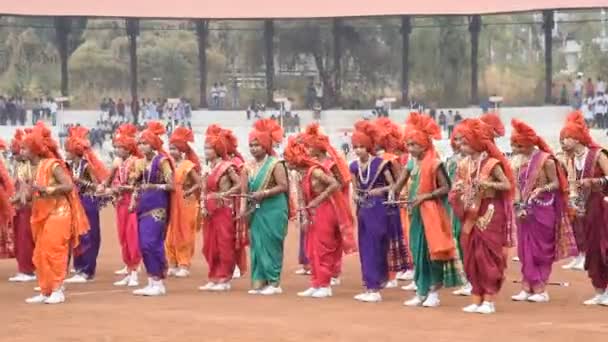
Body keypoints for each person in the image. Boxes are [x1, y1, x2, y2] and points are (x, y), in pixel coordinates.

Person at [392, 112, 461, 307]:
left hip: (432, 213)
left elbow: (446, 187)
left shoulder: (435, 163)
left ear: (424, 145)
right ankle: (421, 290)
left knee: (433, 251)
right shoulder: (411, 162)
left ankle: (433, 292)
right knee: (417, 250)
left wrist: (425, 196)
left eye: (414, 145)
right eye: (409, 144)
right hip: (415, 214)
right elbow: (400, 181)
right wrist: (392, 192)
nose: (411, 148)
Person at [448, 118, 514, 314]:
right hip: (470, 214)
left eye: (464, 142)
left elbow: (507, 185)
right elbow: (457, 187)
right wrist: (458, 190)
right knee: (470, 256)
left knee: (486, 257)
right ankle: (476, 299)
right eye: (459, 142)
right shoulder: (463, 165)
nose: (459, 145)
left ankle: (489, 301)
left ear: (475, 142)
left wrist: (488, 185)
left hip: (490, 213)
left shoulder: (492, 163)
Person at [509, 119, 577, 303]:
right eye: (513, 144)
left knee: (541, 250)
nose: (514, 148)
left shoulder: (545, 160)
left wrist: (542, 189)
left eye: (517, 145)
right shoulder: (516, 162)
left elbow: (556, 183)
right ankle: (526, 287)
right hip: (524, 211)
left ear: (527, 144)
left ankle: (540, 289)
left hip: (544, 209)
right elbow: (515, 186)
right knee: (524, 251)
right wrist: (517, 205)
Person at [22, 122, 89, 304]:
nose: (21, 152)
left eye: (24, 148)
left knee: (54, 252)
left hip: (59, 213)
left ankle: (58, 290)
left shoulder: (53, 165)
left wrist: (47, 190)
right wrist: (25, 192)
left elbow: (68, 185)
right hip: (41, 215)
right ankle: (46, 290)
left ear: (34, 150)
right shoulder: (31, 169)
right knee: (41, 254)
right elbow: (29, 196)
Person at [284, 138, 344, 298]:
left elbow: (335, 184)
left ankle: (325, 285)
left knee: (323, 248)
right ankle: (316, 283)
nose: (286, 162)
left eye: (287, 159)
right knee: (311, 249)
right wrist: (303, 215)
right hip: (312, 212)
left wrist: (318, 199)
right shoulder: (299, 174)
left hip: (325, 211)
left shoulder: (316, 171)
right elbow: (302, 198)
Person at [559, 111, 608, 305]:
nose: (563, 143)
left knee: (603, 246)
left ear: (577, 139)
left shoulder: (598, 154)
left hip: (601, 207)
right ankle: (600, 289)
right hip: (586, 209)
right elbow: (572, 183)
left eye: (566, 139)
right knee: (591, 248)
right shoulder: (571, 160)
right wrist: (573, 200)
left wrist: (593, 181)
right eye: (562, 139)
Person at [350, 120, 401, 302]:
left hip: (378, 208)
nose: (358, 151)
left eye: (362, 147)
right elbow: (355, 187)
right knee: (364, 247)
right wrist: (356, 196)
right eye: (355, 147)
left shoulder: (380, 163)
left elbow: (393, 185)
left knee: (376, 245)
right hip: (363, 208)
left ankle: (375, 287)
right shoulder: (354, 166)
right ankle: (370, 286)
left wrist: (380, 190)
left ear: (369, 147)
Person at [299, 123, 357, 285]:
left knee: (331, 240)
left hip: (332, 204)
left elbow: (341, 183)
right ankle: (325, 272)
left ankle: (333, 272)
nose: (307, 150)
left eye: (309, 147)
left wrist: (322, 195)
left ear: (318, 148)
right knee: (321, 241)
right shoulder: (313, 165)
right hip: (318, 206)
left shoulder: (331, 164)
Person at [241, 119, 289, 295]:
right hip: (256, 210)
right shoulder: (247, 166)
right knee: (257, 244)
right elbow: (244, 191)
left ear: (266, 146)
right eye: (251, 145)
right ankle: (260, 281)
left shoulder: (275, 164)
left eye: (257, 145)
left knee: (271, 244)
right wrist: (242, 211)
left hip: (274, 209)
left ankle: (274, 282)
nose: (254, 148)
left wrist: (264, 193)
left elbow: (283, 186)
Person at [129, 121, 175, 296]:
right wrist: (134, 199)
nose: (142, 146)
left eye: (145, 143)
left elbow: (172, 185)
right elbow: (138, 185)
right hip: (143, 206)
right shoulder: (140, 164)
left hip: (158, 207)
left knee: (152, 243)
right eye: (139, 143)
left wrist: (155, 187)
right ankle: (151, 281)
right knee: (143, 245)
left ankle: (158, 282)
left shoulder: (162, 161)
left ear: (153, 144)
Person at [64, 126, 110, 284]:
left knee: (88, 235)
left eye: (67, 151)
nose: (65, 154)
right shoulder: (71, 166)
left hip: (88, 201)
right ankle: (79, 268)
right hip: (77, 201)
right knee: (77, 235)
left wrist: (80, 181)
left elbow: (96, 185)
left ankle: (87, 270)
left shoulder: (86, 166)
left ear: (74, 151)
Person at [199, 127, 241, 291]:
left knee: (224, 244)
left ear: (217, 149)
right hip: (208, 211)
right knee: (210, 245)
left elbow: (239, 185)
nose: (206, 151)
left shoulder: (227, 167)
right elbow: (203, 189)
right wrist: (203, 204)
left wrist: (225, 194)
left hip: (223, 209)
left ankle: (224, 279)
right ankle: (213, 276)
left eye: (209, 148)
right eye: (205, 148)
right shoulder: (206, 168)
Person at [100, 123, 142, 286]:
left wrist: (119, 189)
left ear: (128, 148)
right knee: (123, 237)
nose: (117, 150)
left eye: (120, 147)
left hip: (132, 203)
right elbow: (112, 181)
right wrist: (108, 189)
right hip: (121, 204)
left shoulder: (136, 163)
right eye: (116, 147)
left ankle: (134, 272)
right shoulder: (119, 163)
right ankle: (129, 268)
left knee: (132, 237)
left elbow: (137, 185)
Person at [374, 117, 410, 287]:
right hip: (379, 203)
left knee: (391, 238)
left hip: (389, 202)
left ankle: (392, 275)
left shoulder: (390, 159)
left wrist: (394, 194)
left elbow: (399, 180)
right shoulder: (378, 159)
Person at [166, 126, 202, 278]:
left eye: (174, 148)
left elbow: (199, 183)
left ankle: (184, 264)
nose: (171, 151)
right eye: (170, 148)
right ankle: (172, 263)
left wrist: (188, 190)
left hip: (185, 202)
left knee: (184, 233)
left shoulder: (188, 165)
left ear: (181, 149)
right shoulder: (168, 164)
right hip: (171, 200)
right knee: (170, 233)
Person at [8, 129, 36, 283]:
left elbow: (26, 189)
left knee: (25, 238)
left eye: (16, 152)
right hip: (20, 206)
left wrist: (13, 200)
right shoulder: (19, 165)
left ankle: (27, 270)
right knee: (20, 238)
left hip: (27, 206)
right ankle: (24, 268)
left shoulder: (28, 167)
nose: (14, 156)